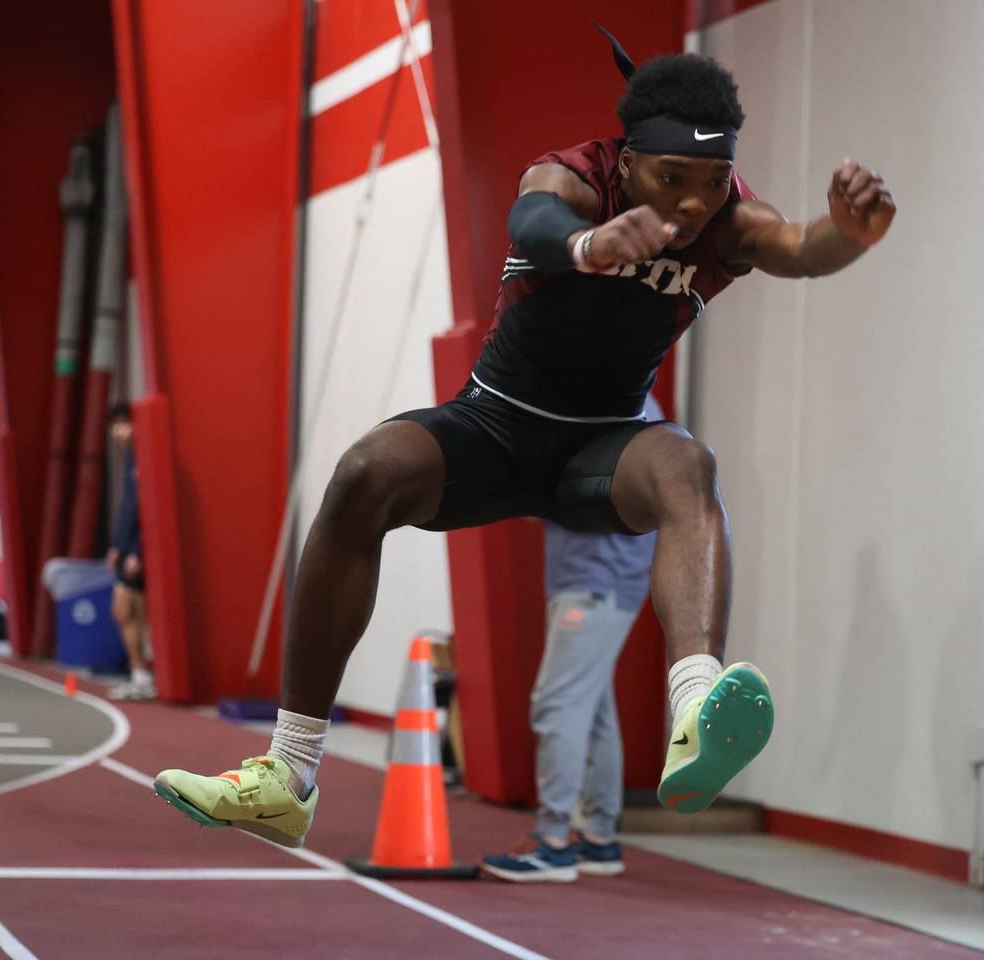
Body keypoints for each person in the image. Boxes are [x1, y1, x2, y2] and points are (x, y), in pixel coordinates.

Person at [154, 35, 895, 850]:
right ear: (629, 159)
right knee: (364, 473)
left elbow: (795, 247)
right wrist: (590, 244)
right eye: (670, 180)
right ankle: (286, 775)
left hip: (602, 453)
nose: (692, 206)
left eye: (712, 183)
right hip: (495, 430)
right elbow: (534, 217)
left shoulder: (724, 222)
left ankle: (695, 707)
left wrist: (847, 233)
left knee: (688, 464)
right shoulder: (577, 173)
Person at [482, 395, 662, 883]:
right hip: (592, 579)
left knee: (557, 703)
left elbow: (608, 493)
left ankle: (553, 841)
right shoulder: (615, 401)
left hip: (597, 582)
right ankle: (600, 840)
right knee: (594, 711)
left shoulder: (625, 404)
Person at [106, 404, 154, 700]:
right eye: (117, 425)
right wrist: (117, 546)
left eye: (126, 423)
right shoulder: (131, 458)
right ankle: (142, 674)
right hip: (128, 548)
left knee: (124, 610)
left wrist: (136, 549)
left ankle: (142, 675)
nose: (120, 431)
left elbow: (144, 506)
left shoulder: (145, 456)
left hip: (139, 550)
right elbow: (126, 507)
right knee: (131, 612)